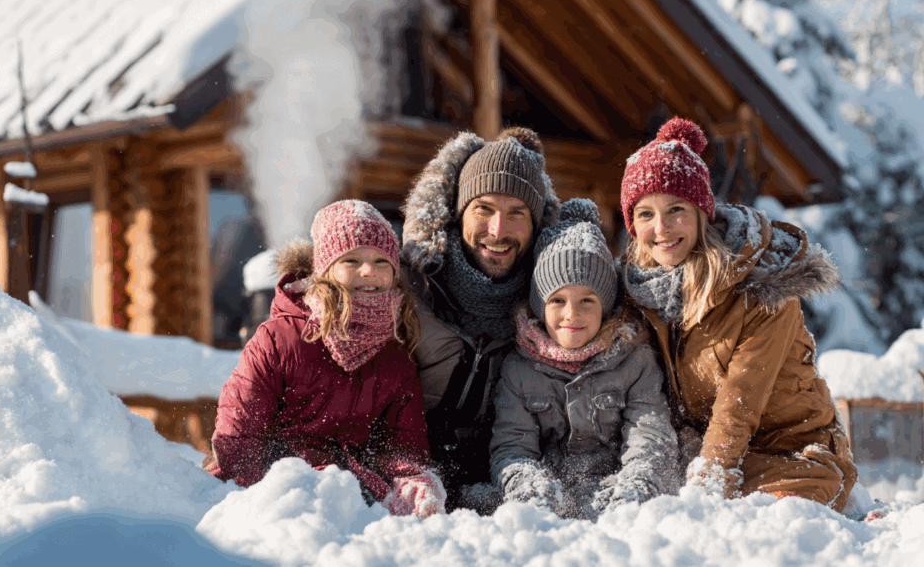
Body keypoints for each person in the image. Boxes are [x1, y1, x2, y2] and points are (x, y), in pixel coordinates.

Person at [617, 117, 857, 511]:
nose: (660, 228)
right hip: (700, 452)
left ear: (701, 214)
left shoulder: (758, 287)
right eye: (645, 214)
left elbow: (738, 401)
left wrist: (707, 483)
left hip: (791, 454)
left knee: (762, 520)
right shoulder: (639, 291)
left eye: (675, 209)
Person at [210, 200, 446, 518]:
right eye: (351, 260)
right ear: (325, 271)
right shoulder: (279, 339)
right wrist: (280, 493)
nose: (369, 271)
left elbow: (401, 444)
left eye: (381, 261)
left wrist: (412, 481)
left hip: (351, 495)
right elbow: (238, 437)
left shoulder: (395, 355)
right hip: (275, 493)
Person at [400, 126, 560, 510]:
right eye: (483, 209)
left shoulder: (553, 309)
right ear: (458, 214)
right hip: (403, 488)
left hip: (500, 498)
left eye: (516, 213)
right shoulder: (407, 287)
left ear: (536, 225)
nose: (498, 230)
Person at [489, 199, 679, 519]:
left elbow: (650, 435)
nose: (572, 315)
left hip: (613, 497)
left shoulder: (634, 361)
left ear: (605, 306)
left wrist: (636, 483)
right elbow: (513, 447)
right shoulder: (519, 368)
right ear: (539, 306)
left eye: (587, 300)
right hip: (551, 499)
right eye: (558, 300)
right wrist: (526, 485)